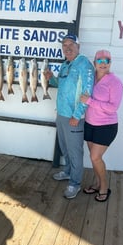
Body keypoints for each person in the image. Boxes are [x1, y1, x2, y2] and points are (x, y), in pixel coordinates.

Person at [44, 34, 94, 199]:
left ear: (78, 46)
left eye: (71, 44)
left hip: (74, 117)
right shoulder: (65, 64)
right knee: (64, 147)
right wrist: (51, 79)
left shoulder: (84, 64)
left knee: (74, 152)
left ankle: (75, 183)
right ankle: (67, 171)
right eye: (64, 45)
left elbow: (87, 93)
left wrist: (77, 115)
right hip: (61, 114)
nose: (67, 48)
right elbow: (61, 84)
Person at [80, 50, 123, 202]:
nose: (103, 63)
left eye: (107, 60)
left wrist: (89, 101)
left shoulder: (115, 82)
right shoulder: (91, 79)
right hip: (90, 124)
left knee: (95, 157)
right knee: (94, 159)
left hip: (106, 126)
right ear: (95, 63)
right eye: (100, 60)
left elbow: (113, 107)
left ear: (110, 63)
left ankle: (104, 187)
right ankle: (98, 184)